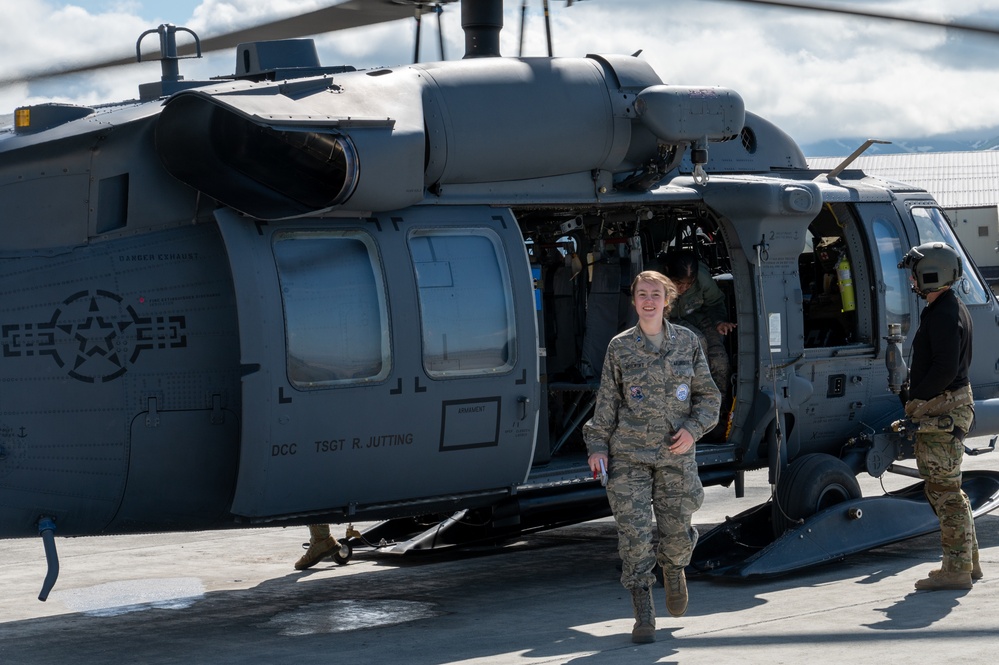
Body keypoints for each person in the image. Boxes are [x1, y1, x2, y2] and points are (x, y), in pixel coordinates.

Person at [583, 270, 720, 643]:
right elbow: (607, 404)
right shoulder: (620, 347)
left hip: (675, 456)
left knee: (676, 535)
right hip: (629, 455)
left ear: (667, 299)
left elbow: (709, 398)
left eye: (655, 294)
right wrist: (598, 446)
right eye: (641, 294)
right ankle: (644, 611)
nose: (648, 300)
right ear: (634, 299)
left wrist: (693, 430)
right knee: (635, 536)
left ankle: (674, 568)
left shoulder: (687, 343)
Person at [898, 242, 982, 591]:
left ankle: (956, 570)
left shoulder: (945, 314)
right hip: (950, 406)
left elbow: (945, 369)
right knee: (948, 490)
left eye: (916, 273)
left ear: (931, 274)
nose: (913, 280)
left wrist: (916, 397)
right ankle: (968, 562)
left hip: (943, 410)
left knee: (943, 492)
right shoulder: (947, 308)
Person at [662, 251, 736, 403]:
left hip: (700, 317)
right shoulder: (655, 279)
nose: (683, 289)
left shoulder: (703, 279)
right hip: (669, 321)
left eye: (689, 284)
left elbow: (715, 302)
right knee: (698, 342)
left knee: (719, 358)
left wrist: (719, 321)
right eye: (678, 283)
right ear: (668, 272)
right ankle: (696, 403)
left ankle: (717, 405)